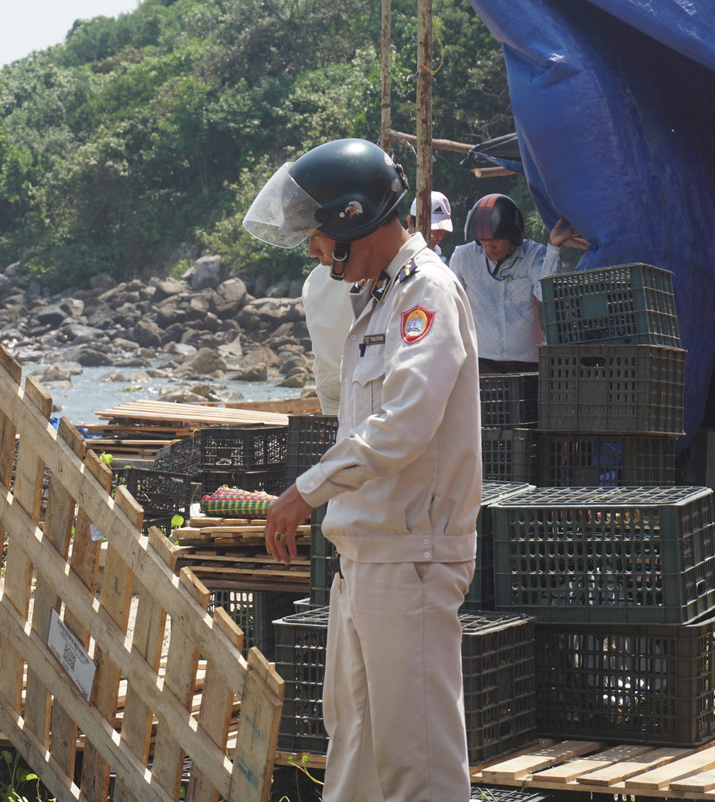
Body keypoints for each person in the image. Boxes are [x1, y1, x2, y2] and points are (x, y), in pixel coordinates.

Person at [243, 138, 482, 802]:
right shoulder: (377, 298)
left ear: (351, 218)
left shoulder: (424, 292)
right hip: (366, 560)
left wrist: (305, 491)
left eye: (315, 233)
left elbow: (404, 423)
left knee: (418, 767)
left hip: (410, 561)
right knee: (355, 762)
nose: (312, 249)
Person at [448, 193, 586, 373]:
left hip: (526, 362)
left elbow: (548, 294)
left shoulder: (534, 254)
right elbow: (450, 304)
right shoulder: (463, 257)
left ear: (513, 236)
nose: (489, 248)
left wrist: (553, 248)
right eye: (484, 242)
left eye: (496, 241)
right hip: (480, 361)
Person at [301, 261, 355, 416]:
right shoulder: (362, 268)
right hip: (358, 372)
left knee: (337, 436)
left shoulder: (313, 278)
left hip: (326, 377)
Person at [405, 189, 453, 261]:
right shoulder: (395, 254)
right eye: (430, 231)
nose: (436, 237)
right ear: (411, 223)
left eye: (441, 230)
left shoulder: (437, 254)